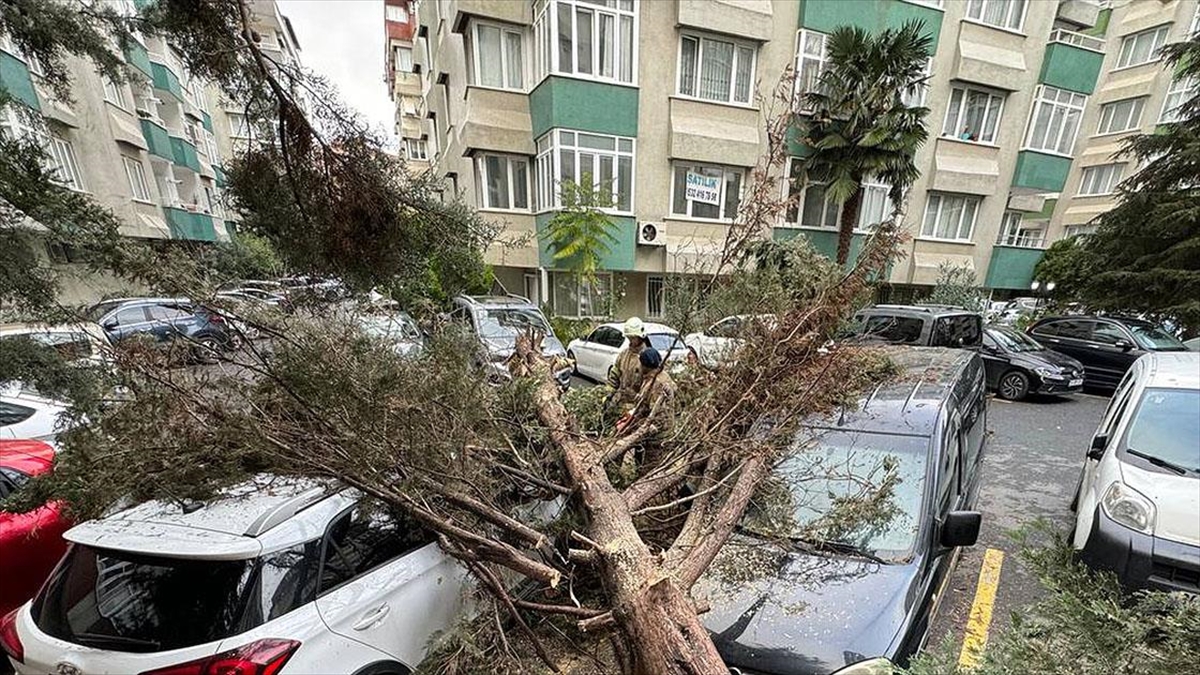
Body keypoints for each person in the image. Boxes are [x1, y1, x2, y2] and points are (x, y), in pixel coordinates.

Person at [616, 347, 678, 439]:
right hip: (663, 428)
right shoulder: (661, 375)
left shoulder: (656, 384)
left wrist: (636, 426)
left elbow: (657, 414)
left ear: (645, 366)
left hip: (658, 433)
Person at [607, 317, 648, 411]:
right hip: (620, 402)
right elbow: (614, 375)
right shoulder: (623, 355)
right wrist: (609, 395)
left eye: (633, 337)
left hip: (636, 407)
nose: (630, 340)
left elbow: (649, 385)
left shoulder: (646, 358)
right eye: (629, 337)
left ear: (640, 336)